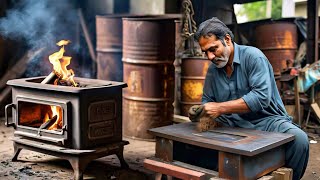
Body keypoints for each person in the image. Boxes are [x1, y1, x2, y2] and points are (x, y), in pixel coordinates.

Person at [193, 17, 309, 180]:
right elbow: (207, 100)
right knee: (191, 145)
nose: (210, 57)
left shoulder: (254, 57)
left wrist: (220, 108)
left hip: (266, 121)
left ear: (227, 39)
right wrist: (200, 111)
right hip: (232, 123)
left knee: (300, 140)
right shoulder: (213, 70)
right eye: (205, 52)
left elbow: (261, 98)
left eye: (213, 49)